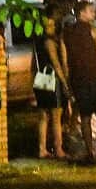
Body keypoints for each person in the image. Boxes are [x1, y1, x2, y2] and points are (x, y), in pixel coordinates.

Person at [62, 0, 96, 162]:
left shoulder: (66, 33)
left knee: (84, 116)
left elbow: (65, 61)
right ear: (81, 13)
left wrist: (67, 82)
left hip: (78, 79)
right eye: (90, 11)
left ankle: (90, 151)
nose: (93, 13)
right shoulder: (94, 31)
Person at [33, 11, 70, 159]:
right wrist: (65, 83)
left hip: (41, 77)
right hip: (52, 79)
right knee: (56, 116)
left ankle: (42, 149)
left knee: (43, 115)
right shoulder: (50, 42)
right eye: (47, 24)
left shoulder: (38, 40)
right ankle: (58, 148)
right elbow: (57, 64)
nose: (48, 27)